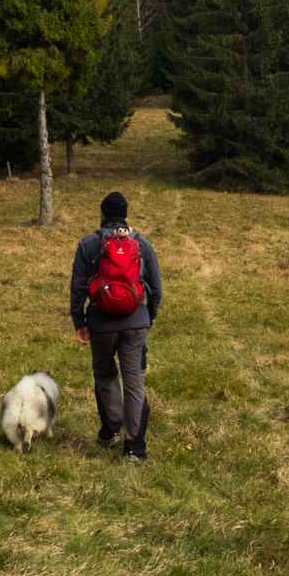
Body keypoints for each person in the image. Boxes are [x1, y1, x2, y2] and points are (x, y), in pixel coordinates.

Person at [69, 191, 162, 462]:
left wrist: (79, 321)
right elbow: (155, 286)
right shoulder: (142, 244)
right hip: (136, 323)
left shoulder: (88, 244)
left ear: (102, 214)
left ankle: (110, 432)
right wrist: (151, 314)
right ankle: (135, 448)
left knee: (105, 375)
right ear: (125, 213)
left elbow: (77, 288)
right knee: (134, 381)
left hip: (100, 324)